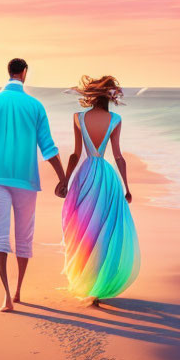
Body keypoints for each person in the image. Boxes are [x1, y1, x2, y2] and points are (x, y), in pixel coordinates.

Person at [0, 58, 68, 312]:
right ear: (24, 73)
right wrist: (63, 178)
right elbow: (48, 148)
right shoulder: (35, 106)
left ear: (9, 72)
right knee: (24, 236)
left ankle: (5, 294)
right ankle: (18, 290)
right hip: (26, 181)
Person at [61, 75, 139, 305]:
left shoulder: (78, 117)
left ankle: (86, 281)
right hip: (106, 177)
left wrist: (65, 181)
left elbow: (75, 154)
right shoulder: (115, 119)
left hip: (85, 176)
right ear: (110, 96)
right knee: (103, 231)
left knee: (83, 228)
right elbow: (118, 156)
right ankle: (97, 285)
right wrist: (127, 187)